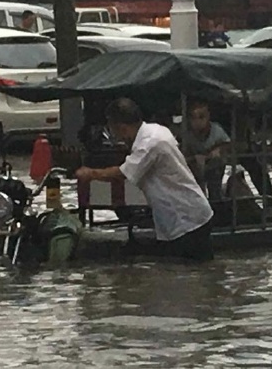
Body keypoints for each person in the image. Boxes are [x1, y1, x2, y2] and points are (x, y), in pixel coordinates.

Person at [75, 98, 215, 262]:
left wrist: (90, 173)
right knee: (193, 273)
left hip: (186, 219)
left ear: (121, 127)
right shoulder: (156, 130)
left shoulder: (150, 143)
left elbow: (123, 173)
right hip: (187, 214)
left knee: (186, 274)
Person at [184, 100, 231, 200]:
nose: (197, 122)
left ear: (208, 117)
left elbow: (228, 145)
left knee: (214, 187)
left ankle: (216, 202)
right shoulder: (186, 133)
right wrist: (194, 158)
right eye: (193, 118)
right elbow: (182, 151)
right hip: (195, 166)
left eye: (201, 117)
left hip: (214, 165)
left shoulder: (217, 130)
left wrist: (218, 150)